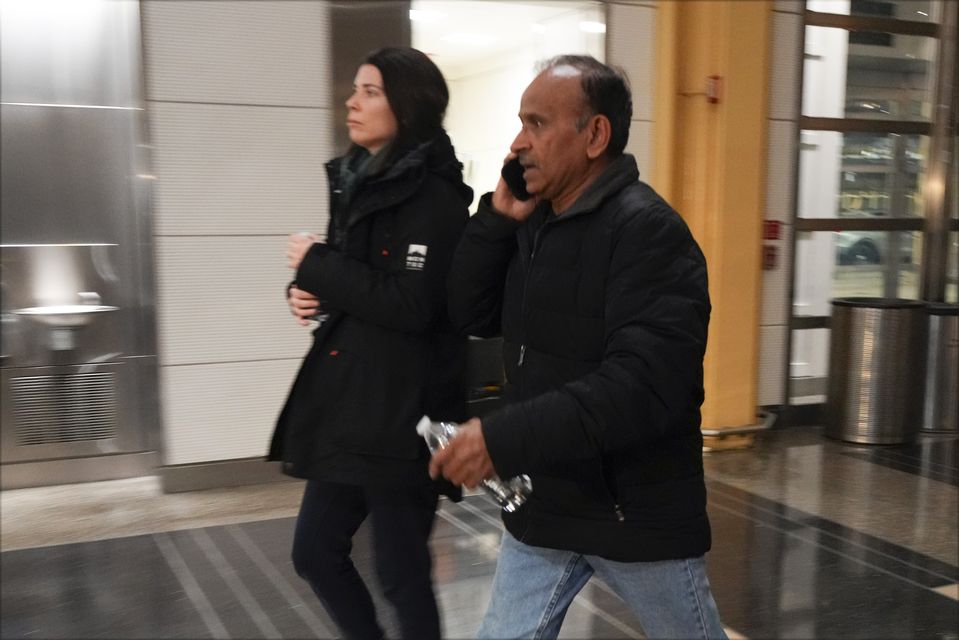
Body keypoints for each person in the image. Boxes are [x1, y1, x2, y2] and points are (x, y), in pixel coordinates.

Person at [431, 55, 727, 640]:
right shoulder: (534, 224)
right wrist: (496, 221)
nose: (519, 143)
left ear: (595, 135)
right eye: (521, 123)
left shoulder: (648, 232)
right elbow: (468, 312)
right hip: (549, 502)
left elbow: (643, 386)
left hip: (632, 515)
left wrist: (503, 438)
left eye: (537, 124)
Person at [268, 47, 472, 640]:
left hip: (404, 415)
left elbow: (411, 305)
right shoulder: (361, 180)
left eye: (370, 92)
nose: (352, 103)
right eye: (355, 90)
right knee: (314, 552)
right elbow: (359, 283)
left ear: (407, 106)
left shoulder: (435, 200)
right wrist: (306, 291)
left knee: (402, 573)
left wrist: (319, 267)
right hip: (351, 409)